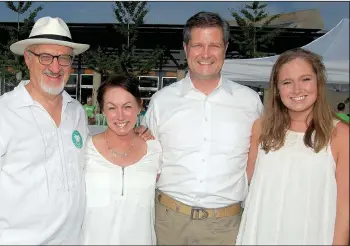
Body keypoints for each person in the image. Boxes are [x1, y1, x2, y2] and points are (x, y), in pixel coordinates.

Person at [0, 16, 90, 244]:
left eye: (64, 58)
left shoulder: (76, 112)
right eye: (46, 56)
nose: (56, 67)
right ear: (28, 59)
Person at [141, 12, 263, 245]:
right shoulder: (162, 101)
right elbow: (147, 155)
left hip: (226, 227)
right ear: (186, 49)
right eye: (198, 45)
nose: (206, 54)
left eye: (214, 45)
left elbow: (254, 162)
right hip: (168, 223)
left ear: (225, 48)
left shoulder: (250, 102)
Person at [236, 48, 349, 245]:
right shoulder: (261, 128)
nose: (297, 90)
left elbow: (345, 206)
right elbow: (247, 184)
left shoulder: (340, 135)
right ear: (278, 90)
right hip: (262, 232)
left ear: (319, 82)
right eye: (287, 82)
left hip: (312, 235)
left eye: (305, 79)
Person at [82, 75, 162, 245]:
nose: (120, 116)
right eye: (112, 108)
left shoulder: (155, 150)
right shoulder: (84, 150)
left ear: (140, 106)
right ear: (102, 110)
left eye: (127, 107)